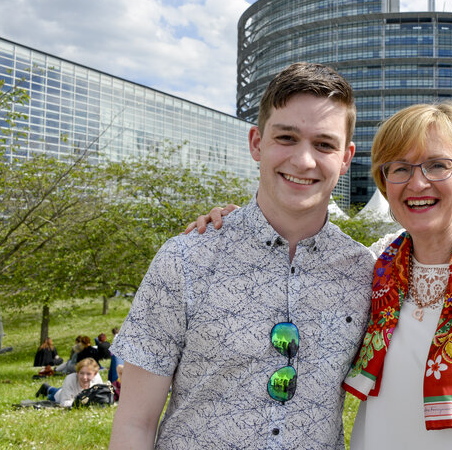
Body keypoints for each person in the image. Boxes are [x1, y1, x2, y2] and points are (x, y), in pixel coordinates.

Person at [197, 102, 452, 449]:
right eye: (399, 168)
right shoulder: (370, 266)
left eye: (437, 165)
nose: (417, 183)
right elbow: (292, 261)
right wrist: (240, 224)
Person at [109, 63, 375, 449]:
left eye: (324, 144)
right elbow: (135, 423)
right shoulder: (186, 259)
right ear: (256, 142)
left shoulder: (365, 272)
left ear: (346, 157)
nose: (303, 161)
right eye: (286, 137)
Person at [35, 357, 103, 408]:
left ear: (95, 374)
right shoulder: (70, 379)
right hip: (60, 395)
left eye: (88, 374)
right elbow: (64, 403)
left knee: (59, 389)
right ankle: (46, 387)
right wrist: (83, 404)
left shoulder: (98, 380)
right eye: (81, 373)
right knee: (52, 395)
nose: (84, 377)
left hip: (69, 391)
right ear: (77, 372)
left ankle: (47, 387)